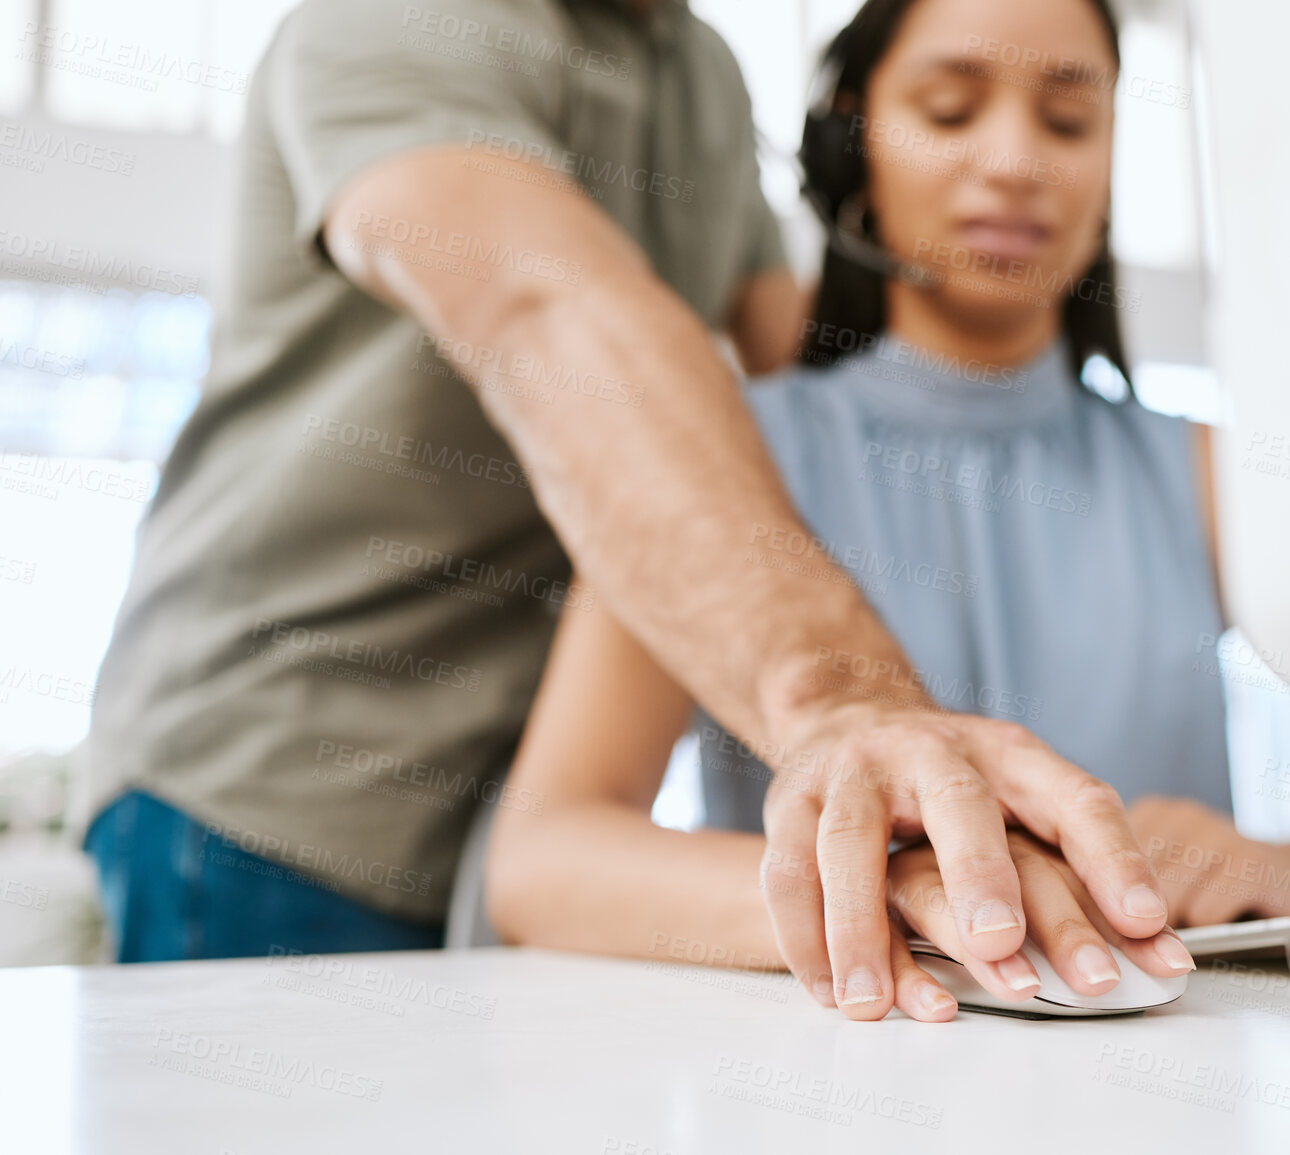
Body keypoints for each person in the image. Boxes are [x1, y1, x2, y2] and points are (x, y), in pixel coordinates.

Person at [483, 0, 1290, 1021]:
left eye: (1068, 119)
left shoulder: (1207, 477)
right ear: (854, 146)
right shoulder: (723, 465)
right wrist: (873, 890)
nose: (1014, 163)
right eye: (949, 110)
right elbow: (543, 857)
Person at [81, 0, 1175, 1005]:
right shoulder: (405, 19)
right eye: (945, 109)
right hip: (278, 787)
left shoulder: (696, 73)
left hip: (496, 792)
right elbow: (549, 312)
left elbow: (794, 379)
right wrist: (845, 708)